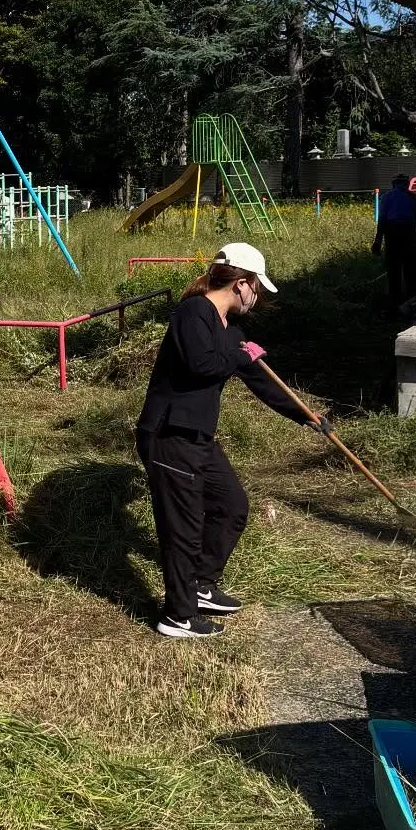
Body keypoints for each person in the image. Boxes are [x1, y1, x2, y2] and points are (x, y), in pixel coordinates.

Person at [135, 242, 330, 639]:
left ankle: (201, 584)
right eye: (256, 289)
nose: (256, 298)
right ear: (242, 284)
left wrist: (306, 416)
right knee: (183, 527)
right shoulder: (193, 312)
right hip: (170, 435)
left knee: (231, 506)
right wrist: (242, 357)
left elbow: (261, 381)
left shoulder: (231, 331)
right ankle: (177, 616)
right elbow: (201, 365)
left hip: (198, 437)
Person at [372, 175, 416, 309]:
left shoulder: (386, 197)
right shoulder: (414, 198)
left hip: (392, 233)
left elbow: (382, 220)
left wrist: (377, 241)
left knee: (393, 268)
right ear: (407, 184)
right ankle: (413, 300)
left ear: (393, 184)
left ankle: (395, 300)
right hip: (409, 233)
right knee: (411, 267)